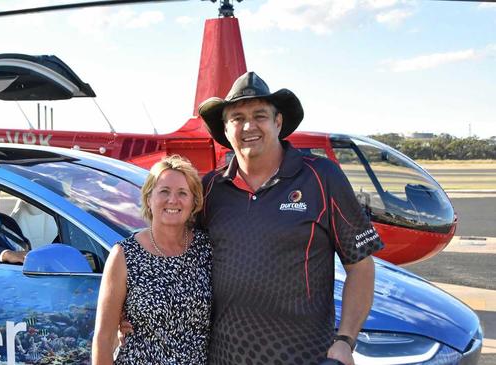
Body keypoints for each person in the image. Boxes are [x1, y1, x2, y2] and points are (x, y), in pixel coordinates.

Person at [196, 71, 384, 365]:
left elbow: (361, 266)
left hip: (304, 356)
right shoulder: (210, 188)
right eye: (237, 118)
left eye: (260, 115)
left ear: (278, 122)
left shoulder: (322, 177)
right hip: (224, 356)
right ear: (225, 127)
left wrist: (346, 340)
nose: (249, 126)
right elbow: (175, 256)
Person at [92, 155, 212, 365]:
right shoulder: (124, 255)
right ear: (149, 198)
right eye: (164, 191)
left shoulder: (207, 248)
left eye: (182, 193)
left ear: (194, 202)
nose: (173, 200)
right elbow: (103, 339)